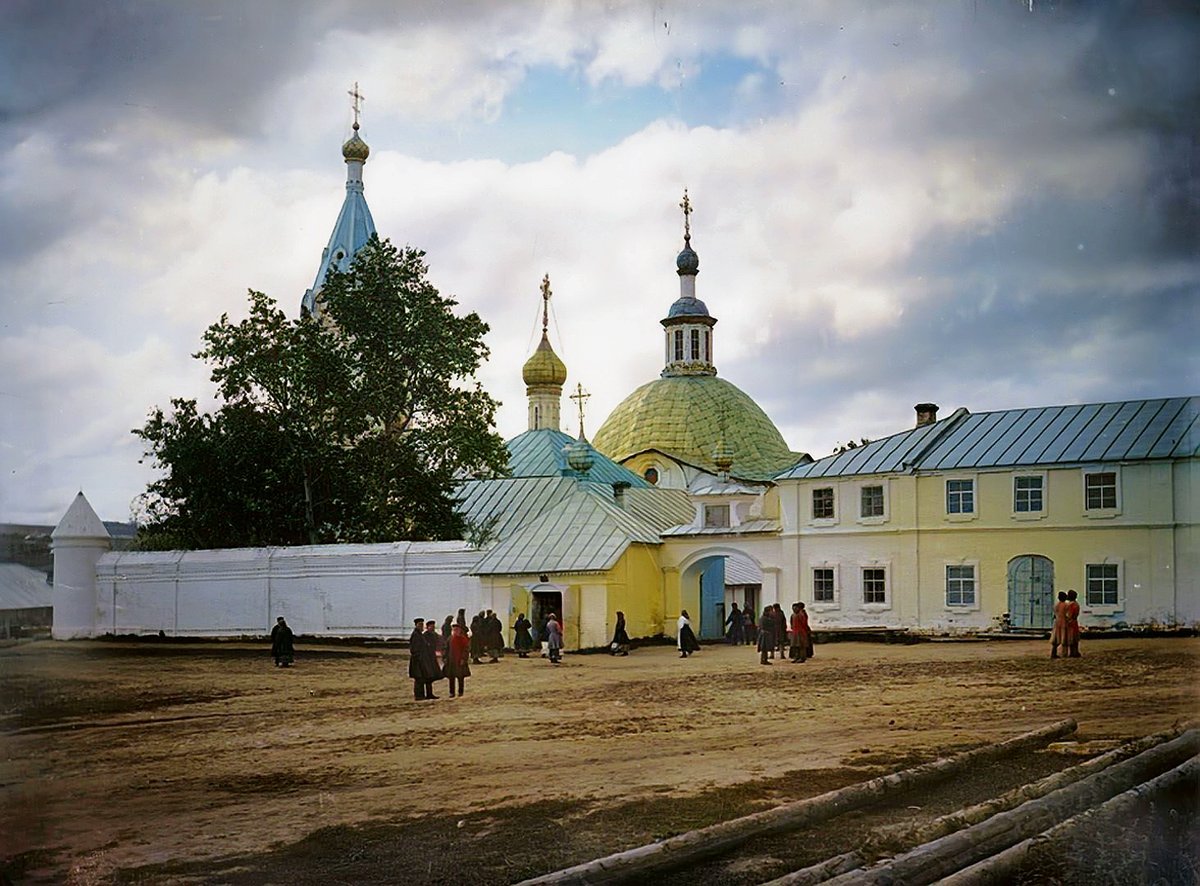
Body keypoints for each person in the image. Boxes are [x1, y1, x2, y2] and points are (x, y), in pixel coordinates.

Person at [444, 622, 472, 697]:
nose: (455, 631)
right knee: (451, 678)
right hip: (451, 661)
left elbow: (466, 650)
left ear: (459, 630)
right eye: (454, 629)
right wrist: (445, 658)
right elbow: (446, 649)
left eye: (457, 629)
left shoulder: (463, 639)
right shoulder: (450, 638)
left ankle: (460, 692)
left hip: (460, 661)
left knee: (460, 677)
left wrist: (463, 659)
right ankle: (451, 692)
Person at [418, 619, 444, 699]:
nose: (432, 628)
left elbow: (440, 641)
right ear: (428, 627)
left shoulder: (433, 635)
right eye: (431, 626)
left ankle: (429, 693)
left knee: (431, 677)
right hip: (427, 658)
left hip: (431, 657)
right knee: (427, 676)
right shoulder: (425, 635)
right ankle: (426, 694)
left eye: (433, 627)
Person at [408, 618, 429, 700]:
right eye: (420, 625)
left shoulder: (419, 634)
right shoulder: (416, 635)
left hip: (420, 659)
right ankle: (419, 696)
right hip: (417, 660)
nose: (422, 626)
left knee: (421, 678)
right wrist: (419, 656)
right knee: (418, 678)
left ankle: (421, 695)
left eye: (422, 625)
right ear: (416, 625)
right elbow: (414, 649)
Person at [1051, 591, 1068, 659]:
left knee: (1056, 638)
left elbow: (1055, 614)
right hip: (1064, 622)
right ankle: (1064, 653)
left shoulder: (1056, 605)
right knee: (1064, 638)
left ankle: (1053, 652)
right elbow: (1067, 614)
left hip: (1057, 622)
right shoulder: (1066, 605)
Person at [1065, 589, 1082, 658]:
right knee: (1075, 638)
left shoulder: (1070, 605)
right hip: (1075, 622)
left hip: (1070, 622)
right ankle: (1076, 651)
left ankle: (1072, 652)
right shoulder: (1076, 604)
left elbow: (1069, 615)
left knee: (1071, 637)